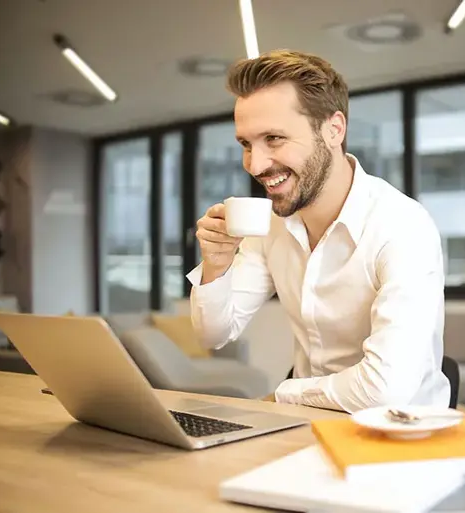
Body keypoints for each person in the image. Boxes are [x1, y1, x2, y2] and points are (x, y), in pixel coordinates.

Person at [187, 49, 450, 413]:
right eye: (247, 144)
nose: (256, 164)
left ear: (333, 129)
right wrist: (216, 265)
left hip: (399, 436)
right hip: (307, 428)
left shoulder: (403, 226)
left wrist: (284, 393)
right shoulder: (272, 226)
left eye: (274, 139)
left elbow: (384, 390)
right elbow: (213, 334)